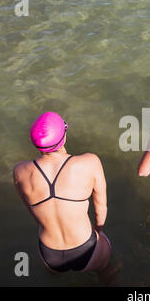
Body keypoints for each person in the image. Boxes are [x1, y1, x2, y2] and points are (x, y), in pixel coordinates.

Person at [13, 112, 111, 273]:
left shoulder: (19, 171)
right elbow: (101, 208)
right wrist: (98, 232)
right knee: (107, 272)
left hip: (49, 254)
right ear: (64, 135)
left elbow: (31, 211)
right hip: (86, 248)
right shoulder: (90, 162)